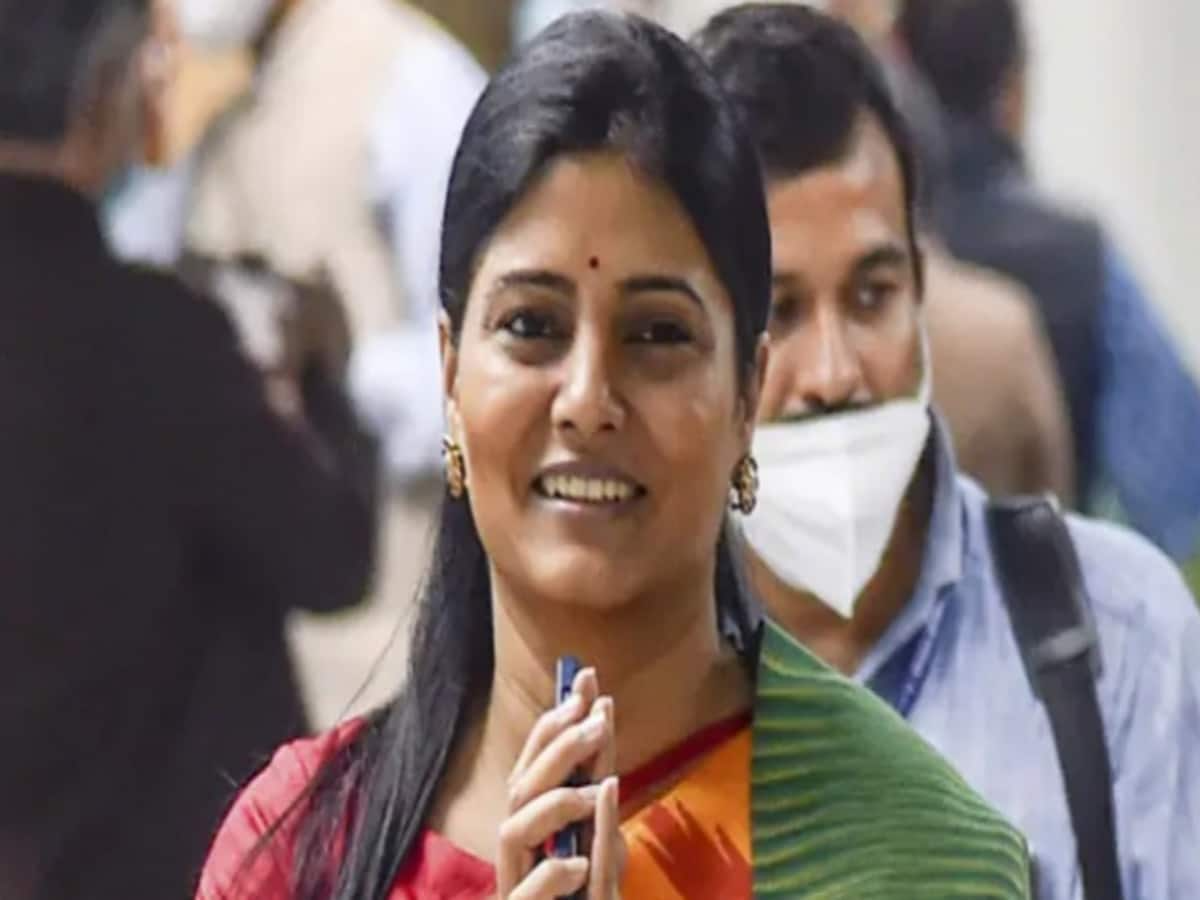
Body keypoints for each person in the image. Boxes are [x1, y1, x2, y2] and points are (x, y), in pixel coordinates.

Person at [196, 11, 1031, 900]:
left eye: (657, 333)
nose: (588, 399)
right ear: (450, 374)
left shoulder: (914, 862)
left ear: (746, 395)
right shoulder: (297, 854)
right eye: (532, 325)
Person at [695, 6, 1200, 899]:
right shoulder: (630, 686)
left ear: (924, 287)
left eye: (872, 295)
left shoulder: (1121, 642)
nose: (834, 372)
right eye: (779, 311)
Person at [0, 1, 378, 896]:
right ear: (102, 94)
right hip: (155, 861)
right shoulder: (153, 340)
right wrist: (320, 373)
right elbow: (331, 557)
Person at [897, 0, 1200, 561]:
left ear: (897, 61)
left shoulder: (867, 261)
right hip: (1050, 586)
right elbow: (1176, 499)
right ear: (1014, 89)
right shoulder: (1084, 258)